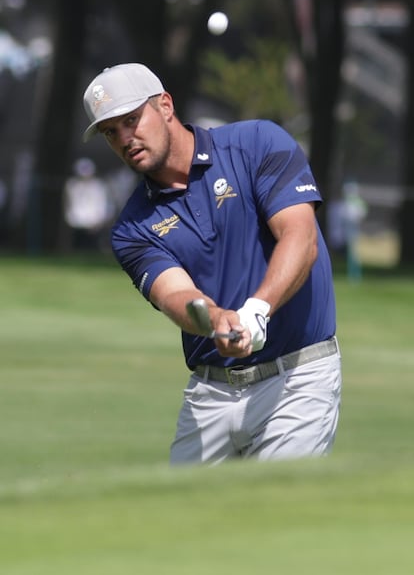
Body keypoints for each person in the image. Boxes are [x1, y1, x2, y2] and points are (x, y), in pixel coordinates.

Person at [80, 63, 342, 465]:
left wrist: (257, 310)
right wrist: (216, 320)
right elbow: (175, 295)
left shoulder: (256, 143)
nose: (125, 139)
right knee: (179, 521)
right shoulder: (131, 227)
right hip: (210, 392)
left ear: (165, 105)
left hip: (297, 379)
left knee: (278, 513)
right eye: (110, 132)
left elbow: (300, 237)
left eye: (132, 120)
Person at [63, 157, 113, 250]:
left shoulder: (98, 186)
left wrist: (100, 220)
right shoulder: (72, 185)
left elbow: (102, 204)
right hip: (76, 222)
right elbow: (70, 204)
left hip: (94, 223)